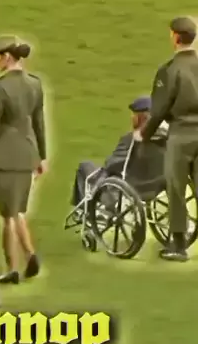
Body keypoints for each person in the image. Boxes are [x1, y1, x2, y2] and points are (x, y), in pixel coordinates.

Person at [135, 16, 198, 262]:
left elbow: (159, 110)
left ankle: (179, 245)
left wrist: (144, 133)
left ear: (176, 37)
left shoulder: (169, 70)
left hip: (181, 134)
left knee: (176, 188)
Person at [0, 36, 45, 285]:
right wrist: (42, 156)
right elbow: (38, 123)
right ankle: (30, 256)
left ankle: (12, 268)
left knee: (8, 215)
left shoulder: (0, 87)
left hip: (5, 156)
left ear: (8, 57)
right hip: (28, 153)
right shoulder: (35, 84)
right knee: (18, 209)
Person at [71, 96, 163, 207]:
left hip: (124, 195)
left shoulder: (130, 140)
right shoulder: (168, 140)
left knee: (85, 165)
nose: (131, 118)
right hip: (154, 193)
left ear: (140, 118)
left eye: (134, 115)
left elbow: (111, 165)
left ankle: (84, 210)